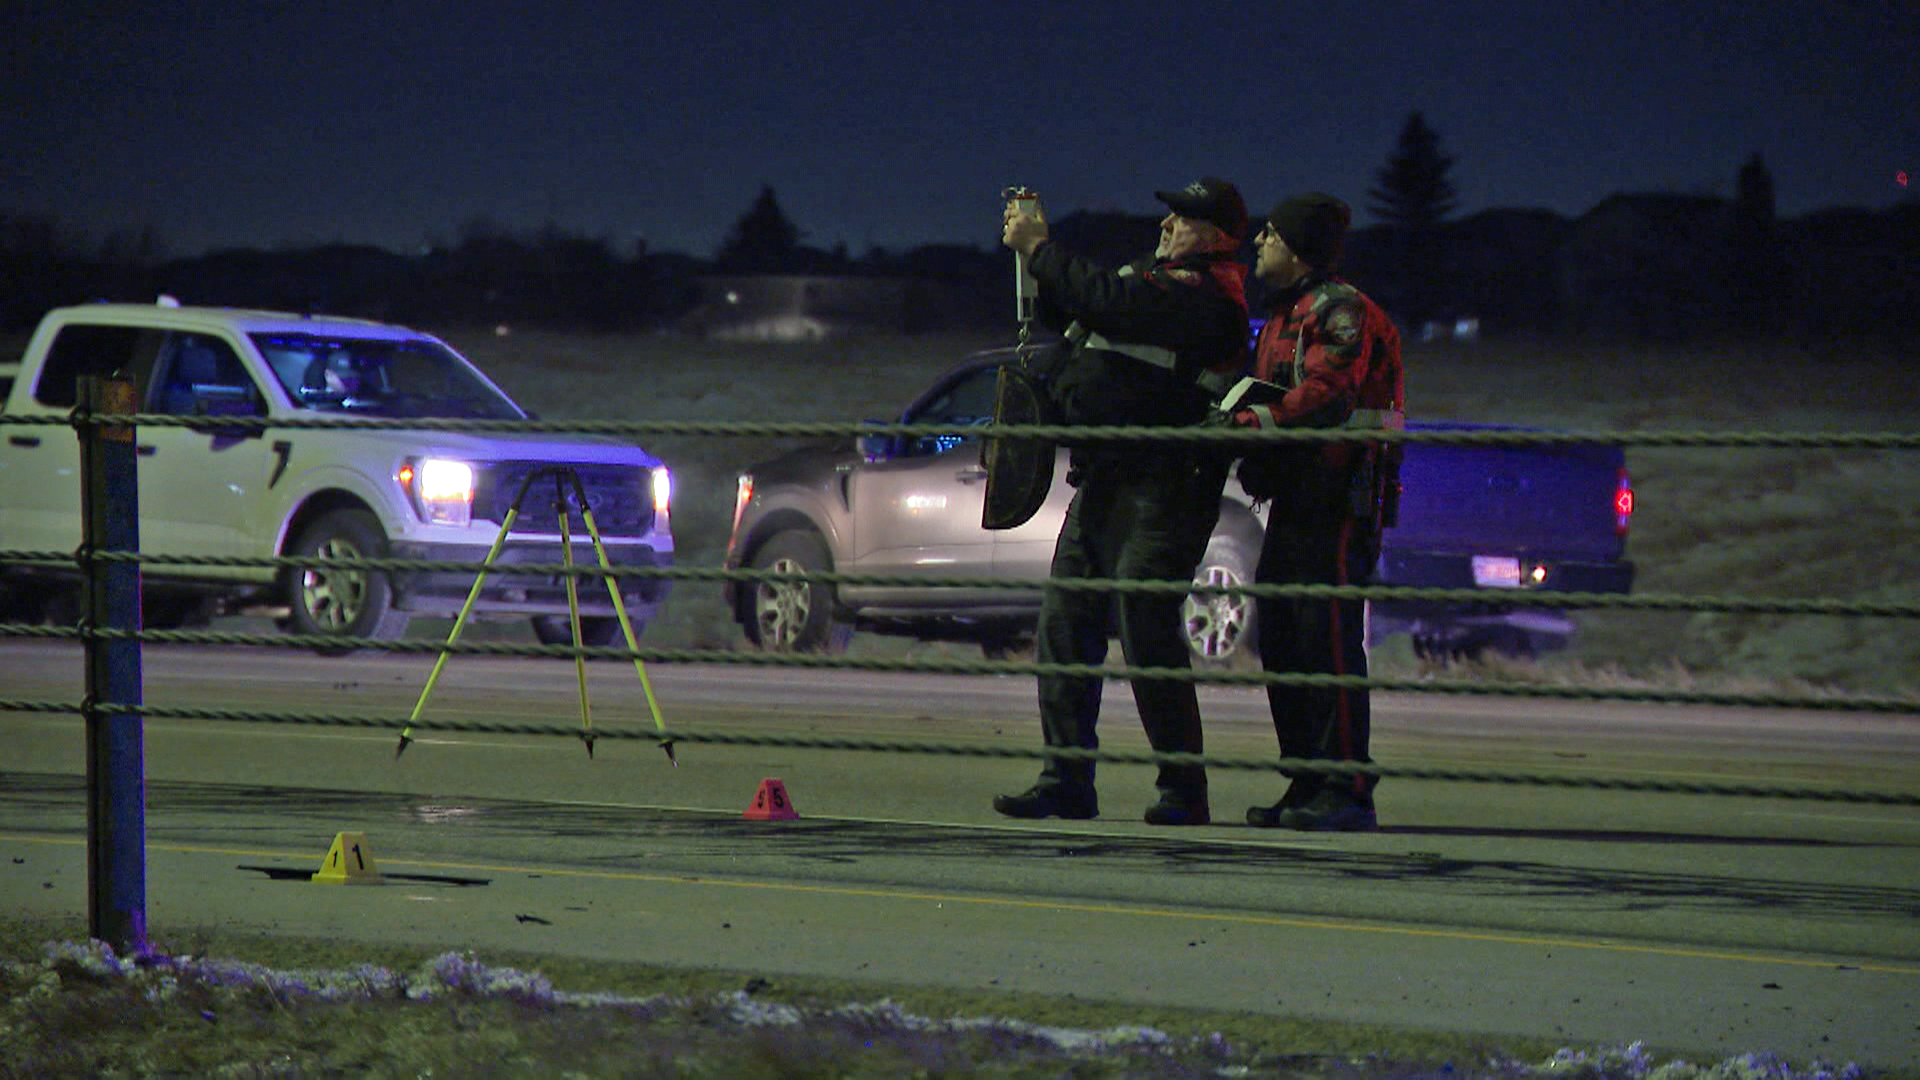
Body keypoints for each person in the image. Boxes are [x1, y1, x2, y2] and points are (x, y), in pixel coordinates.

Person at [992, 177, 1251, 826]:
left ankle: (1182, 791)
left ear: (1215, 238)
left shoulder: (1207, 295)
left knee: (1145, 626)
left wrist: (1042, 248)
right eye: (1167, 214)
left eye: (1183, 220)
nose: (1166, 226)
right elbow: (1083, 307)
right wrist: (1035, 265)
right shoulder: (1151, 278)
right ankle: (1066, 779)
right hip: (1106, 477)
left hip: (1167, 483)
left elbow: (1114, 303)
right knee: (1066, 624)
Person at [1229, 193, 1405, 832]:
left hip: (1342, 493)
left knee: (1326, 636)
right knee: (1283, 633)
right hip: (1301, 494)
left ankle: (1348, 789)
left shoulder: (1341, 310)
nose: (1257, 245)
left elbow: (1327, 393)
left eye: (1268, 235)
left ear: (1297, 247)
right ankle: (1306, 781)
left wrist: (1244, 426)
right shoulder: (1284, 315)